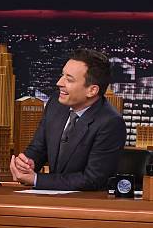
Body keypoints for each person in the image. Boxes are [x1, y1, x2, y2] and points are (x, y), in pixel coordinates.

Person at [10, 48, 126, 191]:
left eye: (69, 79)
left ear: (92, 90)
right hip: (51, 200)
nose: (59, 82)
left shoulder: (110, 123)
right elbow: (38, 148)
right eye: (62, 75)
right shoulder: (55, 104)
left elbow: (93, 179)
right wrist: (27, 163)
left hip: (85, 205)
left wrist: (36, 179)